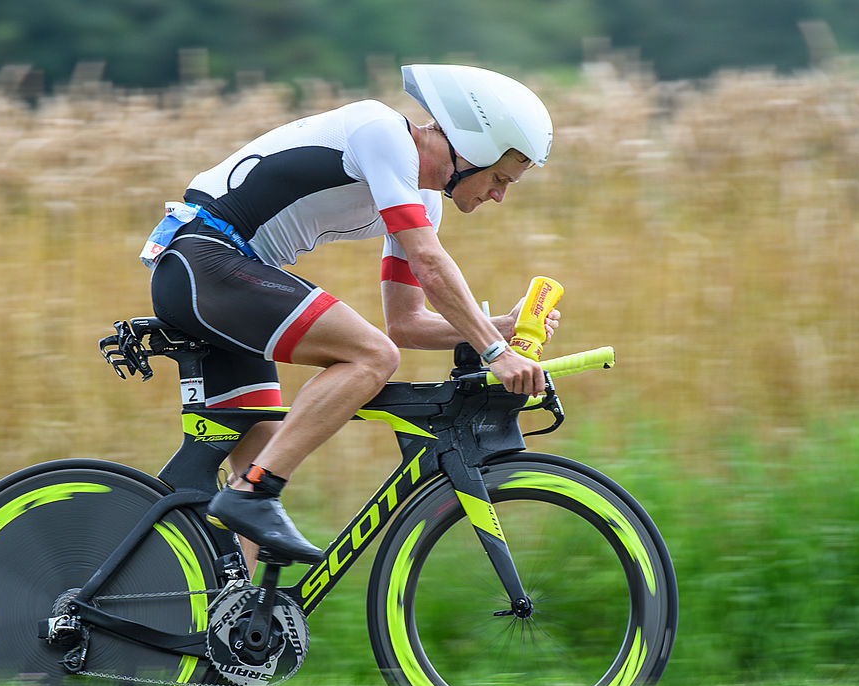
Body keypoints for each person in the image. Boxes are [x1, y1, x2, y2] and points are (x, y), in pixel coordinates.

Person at [141, 64, 558, 567]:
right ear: (470, 148)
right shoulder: (380, 131)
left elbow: (406, 324)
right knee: (368, 358)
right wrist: (496, 353)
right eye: (499, 178)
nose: (499, 195)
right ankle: (255, 492)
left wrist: (502, 329)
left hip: (227, 283)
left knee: (259, 463)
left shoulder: (422, 195)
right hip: (205, 262)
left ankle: (231, 627)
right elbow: (427, 263)